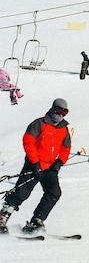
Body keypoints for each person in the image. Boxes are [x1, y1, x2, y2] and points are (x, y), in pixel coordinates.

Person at [0, 98, 72, 234]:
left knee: (54, 193)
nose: (61, 115)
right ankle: (2, 218)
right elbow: (28, 142)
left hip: (50, 168)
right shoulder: (39, 124)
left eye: (64, 112)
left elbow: (66, 147)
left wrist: (59, 162)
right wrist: (35, 163)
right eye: (59, 111)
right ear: (52, 108)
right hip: (33, 166)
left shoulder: (63, 129)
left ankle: (36, 221)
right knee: (21, 192)